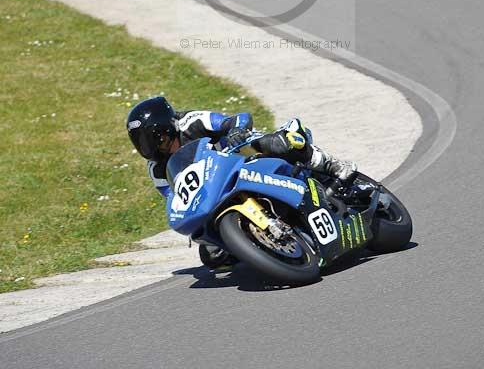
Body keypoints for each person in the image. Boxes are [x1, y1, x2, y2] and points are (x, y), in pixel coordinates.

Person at [127, 96, 358, 269]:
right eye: (143, 144)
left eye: (158, 140)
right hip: (215, 190)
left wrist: (236, 130)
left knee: (278, 143)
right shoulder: (156, 169)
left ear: (170, 127)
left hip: (241, 155)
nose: (154, 149)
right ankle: (261, 246)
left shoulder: (190, 121)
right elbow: (176, 195)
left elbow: (238, 118)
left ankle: (332, 165)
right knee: (212, 256)